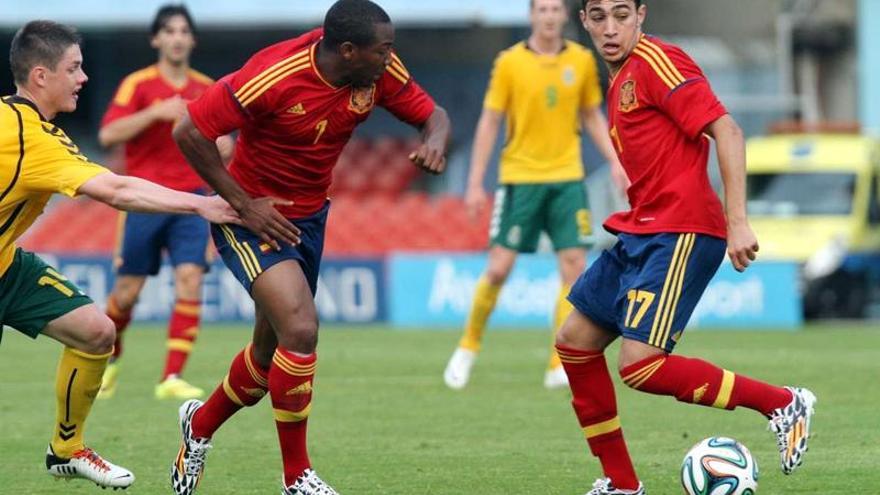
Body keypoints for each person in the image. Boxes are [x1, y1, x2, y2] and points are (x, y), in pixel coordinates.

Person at [167, 1, 450, 493]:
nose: (392, 57)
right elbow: (188, 131)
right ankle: (297, 477)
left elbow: (434, 114)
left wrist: (436, 141)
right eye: (384, 50)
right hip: (252, 215)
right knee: (300, 328)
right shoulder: (273, 75)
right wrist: (242, 203)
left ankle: (200, 425)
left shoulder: (378, 68)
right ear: (348, 50)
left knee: (265, 357)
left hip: (309, 217)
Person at [555, 1, 817, 493]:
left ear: (641, 15)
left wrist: (738, 220)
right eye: (598, 16)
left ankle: (781, 401)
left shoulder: (659, 61)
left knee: (640, 364)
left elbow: (727, 130)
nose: (610, 28)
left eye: (620, 14)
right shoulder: (619, 79)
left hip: (681, 231)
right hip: (640, 230)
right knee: (574, 343)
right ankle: (621, 484)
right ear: (585, 21)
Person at [1, 20, 238, 490]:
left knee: (96, 331)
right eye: (75, 68)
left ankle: (66, 449)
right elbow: (117, 187)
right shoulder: (30, 139)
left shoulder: (29, 127)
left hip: (8, 265)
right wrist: (201, 203)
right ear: (42, 76)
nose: (84, 78)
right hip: (167, 203)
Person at [442, 0, 627, 391]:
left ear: (564, 16)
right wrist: (475, 183)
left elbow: (592, 114)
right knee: (498, 268)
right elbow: (490, 120)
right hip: (520, 179)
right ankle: (468, 346)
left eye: (554, 9)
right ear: (532, 16)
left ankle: (558, 362)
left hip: (567, 179)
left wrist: (615, 162)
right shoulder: (509, 63)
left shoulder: (579, 60)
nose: (548, 16)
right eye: (541, 9)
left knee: (574, 267)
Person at [96, 4, 231, 401]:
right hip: (145, 199)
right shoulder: (138, 85)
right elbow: (108, 135)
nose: (176, 38)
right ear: (157, 39)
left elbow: (226, 146)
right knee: (127, 293)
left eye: (183, 31)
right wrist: (154, 113)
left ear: (192, 40)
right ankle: (110, 360)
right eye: (169, 31)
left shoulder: (207, 88)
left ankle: (171, 377)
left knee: (190, 278)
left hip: (192, 199)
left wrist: (220, 143)